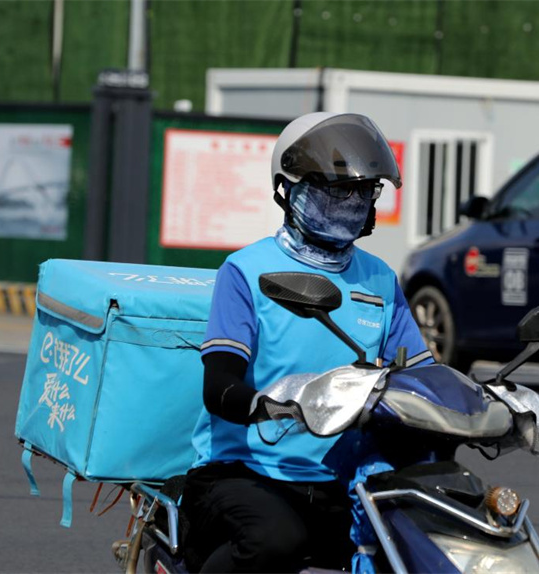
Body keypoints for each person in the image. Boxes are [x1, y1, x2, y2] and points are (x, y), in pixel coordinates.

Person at [181, 112, 435, 573]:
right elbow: (218, 384)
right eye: (335, 189)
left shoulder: (380, 279)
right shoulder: (246, 272)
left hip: (342, 475)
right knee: (276, 540)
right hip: (246, 472)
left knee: (418, 545)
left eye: (362, 191)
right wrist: (272, 404)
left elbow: (422, 376)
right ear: (289, 187)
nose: (351, 202)